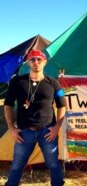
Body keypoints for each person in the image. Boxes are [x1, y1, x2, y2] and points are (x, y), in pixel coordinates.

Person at [4, 50, 66, 186]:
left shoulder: (54, 83)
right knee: (17, 164)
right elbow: (7, 105)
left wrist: (57, 127)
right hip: (24, 133)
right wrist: (11, 128)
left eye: (39, 59)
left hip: (48, 132)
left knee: (53, 163)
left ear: (45, 62)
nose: (36, 62)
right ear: (28, 63)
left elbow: (62, 106)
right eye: (32, 60)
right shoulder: (17, 81)